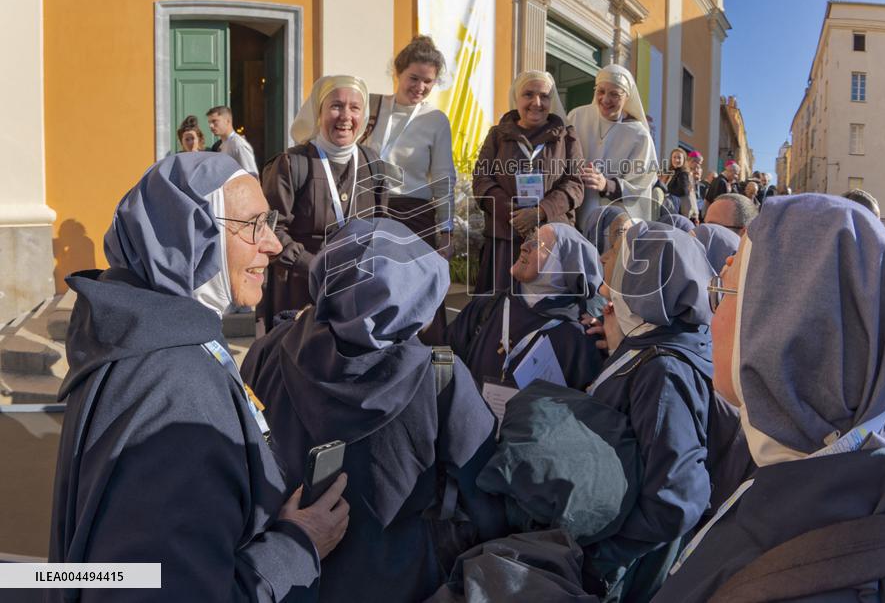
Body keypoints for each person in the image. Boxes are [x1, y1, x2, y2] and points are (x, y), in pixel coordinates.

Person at [48, 153, 350, 600]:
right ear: (189, 236)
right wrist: (295, 546)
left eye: (269, 222)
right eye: (252, 224)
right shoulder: (176, 385)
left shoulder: (143, 335)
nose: (271, 243)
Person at [655, 195, 885, 602]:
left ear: (785, 329)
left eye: (725, 291)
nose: (712, 314)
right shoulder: (847, 461)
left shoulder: (830, 578)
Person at [241, 217, 500, 603]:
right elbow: (486, 497)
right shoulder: (441, 376)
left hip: (286, 574)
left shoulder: (269, 349)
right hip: (402, 579)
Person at [586, 221, 715, 601]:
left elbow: (673, 502)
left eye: (617, 254)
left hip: (632, 569)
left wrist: (598, 558)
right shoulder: (663, 341)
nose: (605, 258)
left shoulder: (662, 370)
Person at [262, 75, 388, 326]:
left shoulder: (373, 164)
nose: (345, 116)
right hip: (299, 290)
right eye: (336, 106)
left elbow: (382, 226)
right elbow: (270, 227)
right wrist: (312, 265)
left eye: (354, 107)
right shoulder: (291, 163)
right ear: (318, 112)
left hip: (355, 289)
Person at [446, 223, 604, 391]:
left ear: (560, 266)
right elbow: (443, 349)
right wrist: (443, 390)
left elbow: (583, 406)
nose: (524, 246)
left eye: (538, 244)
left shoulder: (578, 335)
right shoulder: (488, 305)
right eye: (530, 239)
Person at [472, 70, 584, 295]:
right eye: (528, 95)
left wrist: (540, 211)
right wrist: (513, 213)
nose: (537, 102)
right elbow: (482, 179)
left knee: (543, 308)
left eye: (544, 96)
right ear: (516, 98)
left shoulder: (566, 137)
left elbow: (575, 184)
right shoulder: (497, 135)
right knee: (499, 308)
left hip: (550, 239)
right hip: (505, 236)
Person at [362, 35, 455, 258]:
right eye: (413, 78)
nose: (420, 87)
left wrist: (446, 231)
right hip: (366, 210)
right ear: (398, 72)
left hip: (413, 216)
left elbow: (444, 179)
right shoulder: (370, 106)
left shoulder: (435, 119)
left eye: (428, 81)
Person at [568, 64, 658, 227]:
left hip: (612, 224)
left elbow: (642, 183)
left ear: (627, 97)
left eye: (614, 94)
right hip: (575, 214)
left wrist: (607, 185)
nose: (605, 99)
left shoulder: (639, 135)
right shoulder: (576, 116)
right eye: (601, 91)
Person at [208, 105, 259, 177]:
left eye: (214, 121)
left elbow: (252, 175)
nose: (211, 126)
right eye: (209, 122)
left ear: (227, 121)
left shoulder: (238, 144)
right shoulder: (221, 145)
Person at [663, 148, 698, 221]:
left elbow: (683, 190)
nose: (676, 160)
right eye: (674, 157)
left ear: (684, 160)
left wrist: (667, 192)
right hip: (678, 211)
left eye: (679, 158)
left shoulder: (683, 173)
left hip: (681, 212)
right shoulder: (674, 172)